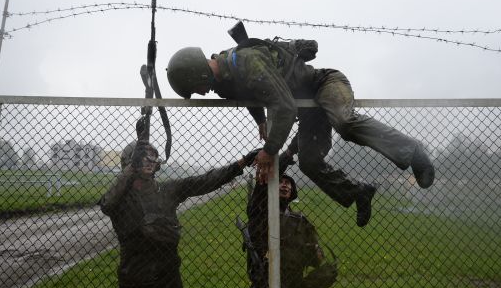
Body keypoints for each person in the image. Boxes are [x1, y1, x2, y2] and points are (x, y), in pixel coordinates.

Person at [167, 41, 435, 227]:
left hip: (323, 85)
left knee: (344, 122)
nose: (203, 93)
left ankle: (412, 152)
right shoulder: (228, 73)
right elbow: (249, 94)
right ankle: (358, 192)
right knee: (309, 163)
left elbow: (283, 107)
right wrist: (260, 119)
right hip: (307, 107)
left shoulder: (246, 62)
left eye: (197, 87)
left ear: (197, 72)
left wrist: (269, 150)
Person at [99, 140, 257, 288]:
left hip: (168, 283)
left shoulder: (166, 191)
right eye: (142, 158)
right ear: (130, 163)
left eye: (152, 157)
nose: (149, 161)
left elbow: (204, 181)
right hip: (134, 284)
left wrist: (242, 163)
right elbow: (107, 205)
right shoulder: (121, 198)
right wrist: (132, 168)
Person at [238, 168, 326, 288]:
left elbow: (316, 258)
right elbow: (258, 197)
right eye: (281, 181)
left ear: (292, 191)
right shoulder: (261, 213)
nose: (284, 185)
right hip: (264, 284)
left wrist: (314, 252)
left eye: (288, 183)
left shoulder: (301, 221)